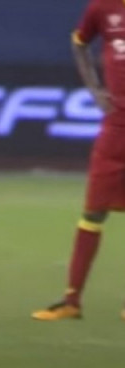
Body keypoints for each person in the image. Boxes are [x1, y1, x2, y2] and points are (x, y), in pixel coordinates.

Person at [32, 0, 125, 321]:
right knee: (93, 212)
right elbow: (79, 43)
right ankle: (72, 300)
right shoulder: (102, 7)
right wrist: (95, 89)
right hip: (116, 127)